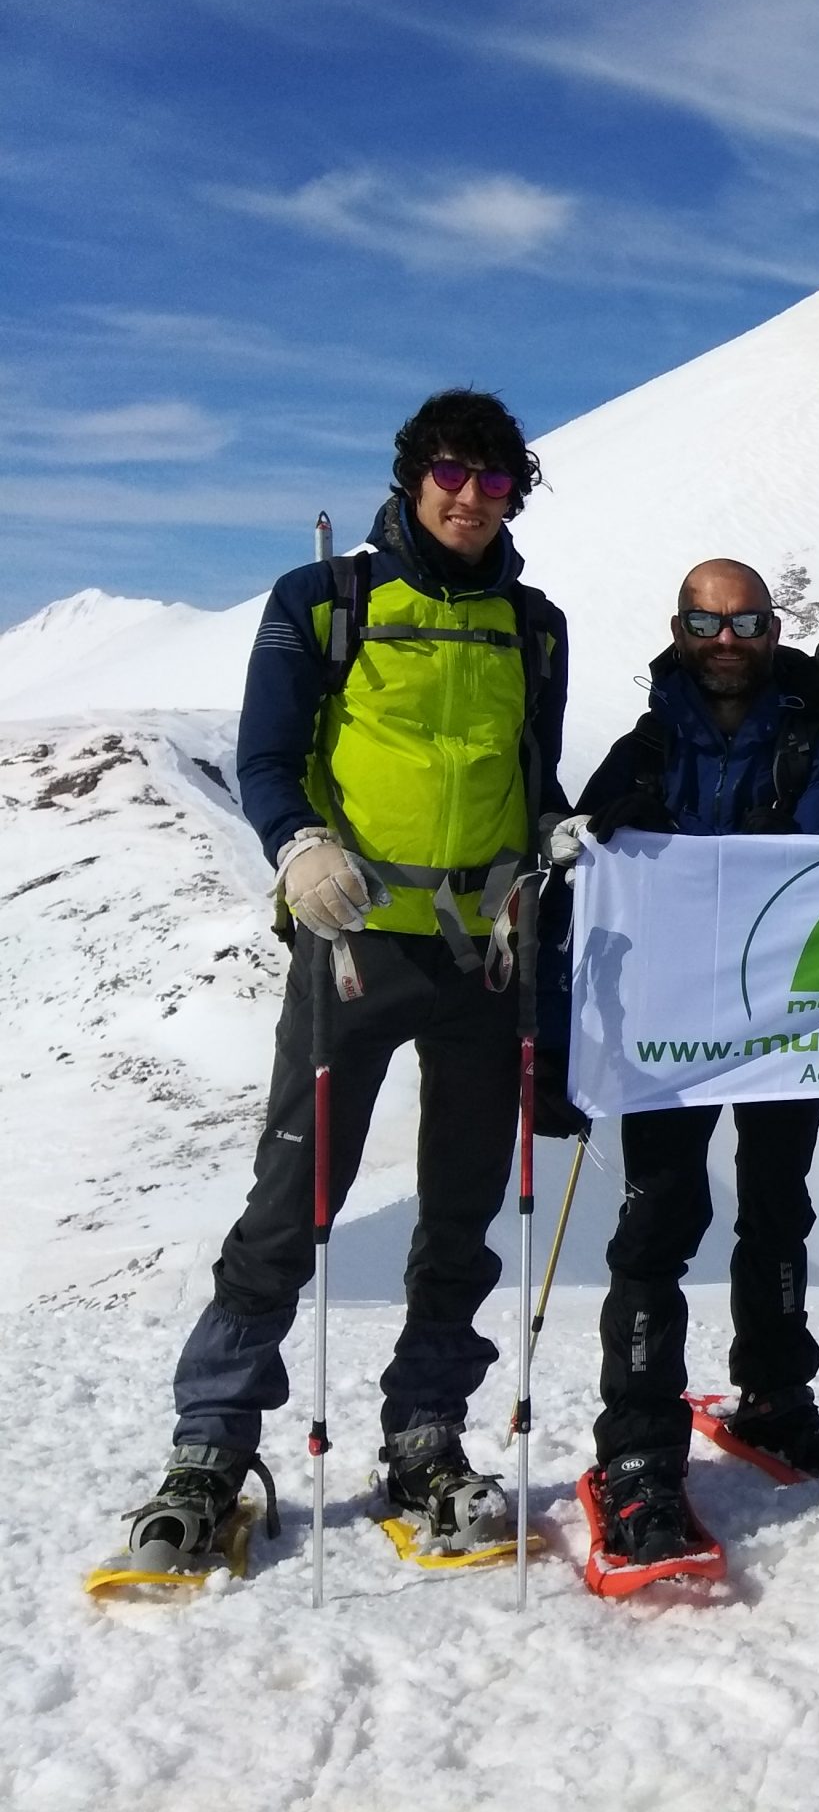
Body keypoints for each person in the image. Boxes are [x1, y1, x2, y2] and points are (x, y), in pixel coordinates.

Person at [122, 389, 568, 1569]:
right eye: (452, 472)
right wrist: (299, 845)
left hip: (485, 951)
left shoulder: (535, 624)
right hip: (354, 943)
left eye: (495, 478)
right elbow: (265, 756)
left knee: (463, 1212)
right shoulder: (325, 602)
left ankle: (426, 1433)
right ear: (414, 473)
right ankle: (212, 1441)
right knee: (291, 1202)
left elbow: (535, 774)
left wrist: (552, 850)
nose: (471, 496)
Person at [558, 559, 819, 1566]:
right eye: (708, 620)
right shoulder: (642, 747)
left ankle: (776, 1395)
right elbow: (591, 851)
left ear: (772, 629)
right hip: (672, 1026)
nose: (726, 638)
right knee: (659, 1217)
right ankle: (639, 1447)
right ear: (681, 627)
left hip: (783, 1018)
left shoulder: (811, 741)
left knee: (779, 1204)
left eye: (744, 621)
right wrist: (580, 843)